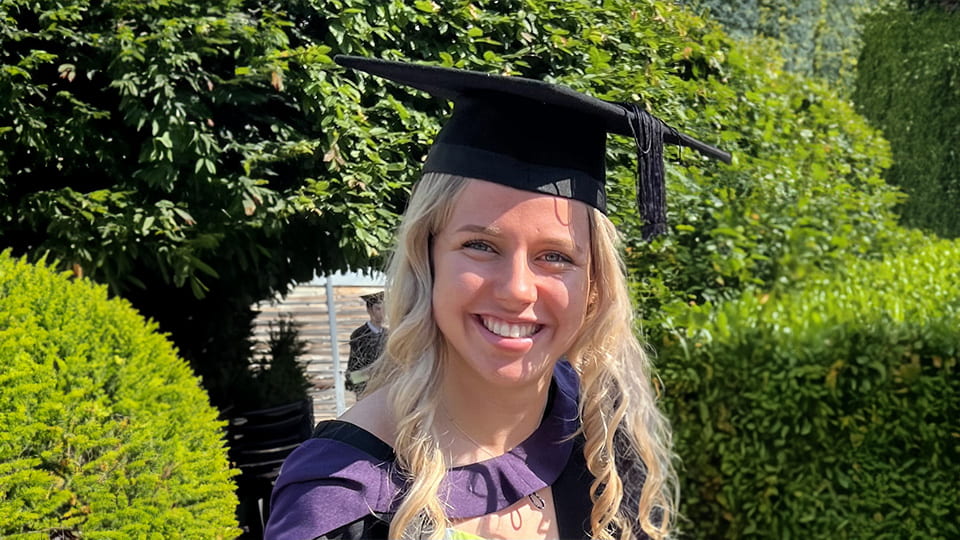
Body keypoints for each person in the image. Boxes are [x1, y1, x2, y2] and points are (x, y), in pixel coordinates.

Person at [265, 55, 730, 540]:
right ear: (429, 260)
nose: (517, 290)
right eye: (480, 246)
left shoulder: (599, 434)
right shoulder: (342, 499)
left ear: (594, 286)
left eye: (556, 256)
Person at [346, 291, 386, 395]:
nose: (382, 313)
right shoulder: (359, 335)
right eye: (378, 309)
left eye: (384, 309)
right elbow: (354, 369)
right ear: (369, 310)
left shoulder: (388, 334)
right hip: (367, 388)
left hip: (386, 386)